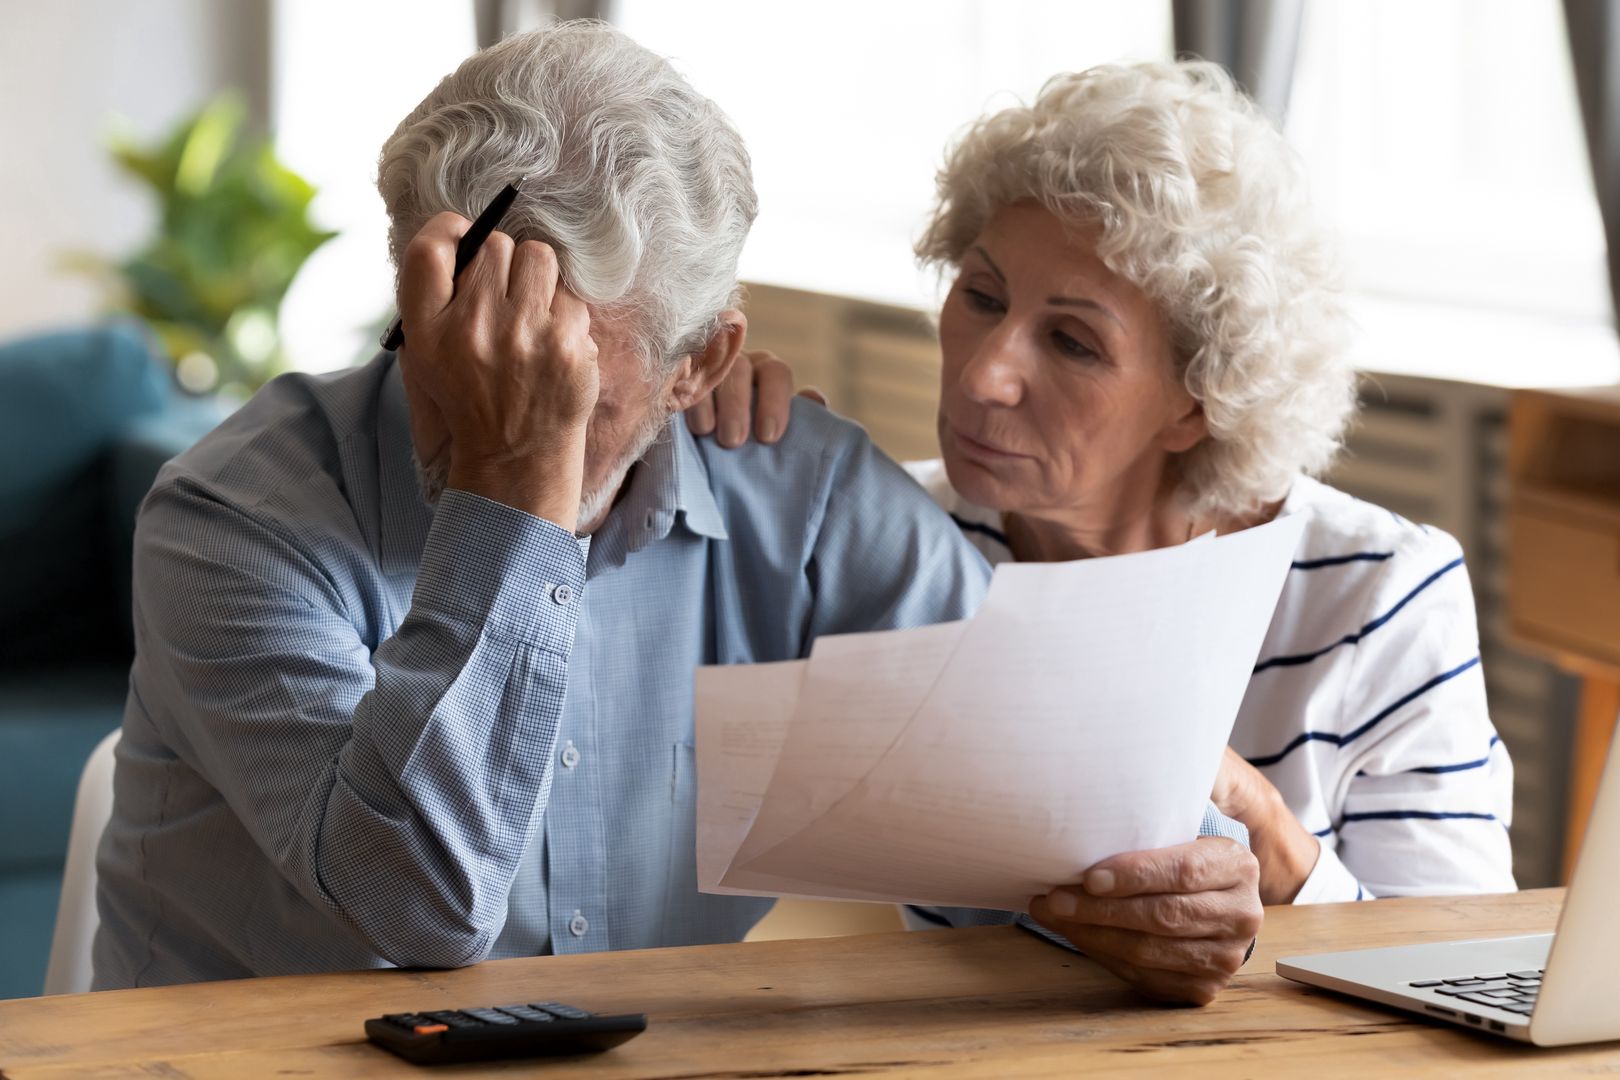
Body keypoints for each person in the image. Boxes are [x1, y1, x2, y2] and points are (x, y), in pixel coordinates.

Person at [92, 25, 1260, 1004]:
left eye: (559, 383)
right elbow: (416, 909)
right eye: (453, 345)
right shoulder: (233, 519)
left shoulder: (799, 501)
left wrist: (1170, 891)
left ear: (702, 363)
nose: (476, 411)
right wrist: (516, 494)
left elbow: (1064, 823)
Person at [704, 60, 1515, 919]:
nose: (985, 375)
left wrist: (1267, 837)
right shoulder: (902, 541)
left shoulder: (1376, 590)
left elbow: (1449, 962)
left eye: (1073, 343)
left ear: (1197, 404)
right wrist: (699, 433)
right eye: (981, 295)